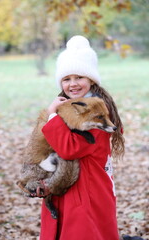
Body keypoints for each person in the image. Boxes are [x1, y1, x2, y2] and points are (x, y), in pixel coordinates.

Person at [39, 35, 125, 240]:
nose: (73, 84)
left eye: (80, 77)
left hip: (87, 189)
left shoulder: (97, 112)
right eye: (67, 79)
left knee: (85, 232)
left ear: (91, 79)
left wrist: (51, 116)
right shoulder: (71, 108)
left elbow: (71, 149)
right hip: (69, 185)